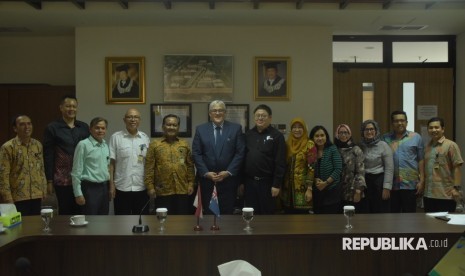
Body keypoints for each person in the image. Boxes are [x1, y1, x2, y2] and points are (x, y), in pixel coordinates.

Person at [192, 100, 245, 215]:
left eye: (220, 110)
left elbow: (240, 153)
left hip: (228, 181)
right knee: (210, 215)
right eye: (214, 110)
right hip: (208, 181)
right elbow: (196, 153)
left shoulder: (235, 129)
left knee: (227, 215)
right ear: (210, 113)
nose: (217, 113)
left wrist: (229, 172)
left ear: (225, 113)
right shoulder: (200, 129)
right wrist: (206, 173)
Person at [43, 95, 90, 215]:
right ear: (61, 108)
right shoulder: (52, 128)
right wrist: (49, 180)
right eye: (68, 106)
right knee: (66, 212)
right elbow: (48, 155)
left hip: (82, 178)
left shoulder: (84, 127)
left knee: (82, 211)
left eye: (74, 106)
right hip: (63, 180)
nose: (71, 109)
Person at [145, 114, 195, 214]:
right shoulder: (155, 144)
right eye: (168, 125)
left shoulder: (184, 144)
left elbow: (190, 166)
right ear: (163, 126)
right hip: (162, 191)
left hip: (182, 190)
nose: (171, 127)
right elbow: (149, 167)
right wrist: (150, 187)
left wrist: (191, 184)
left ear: (178, 127)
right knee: (164, 221)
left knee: (182, 222)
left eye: (174, 125)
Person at [243, 104, 286, 214]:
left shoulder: (277, 136)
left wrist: (276, 184)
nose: (260, 118)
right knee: (250, 214)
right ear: (254, 117)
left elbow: (280, 162)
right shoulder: (247, 135)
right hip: (249, 183)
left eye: (263, 115)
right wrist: (241, 182)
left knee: (267, 215)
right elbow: (242, 159)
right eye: (257, 115)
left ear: (270, 118)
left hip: (267, 184)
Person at [0, 115, 47, 215]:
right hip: (17, 197)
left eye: (29, 124)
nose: (27, 127)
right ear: (15, 128)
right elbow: (3, 175)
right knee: (20, 229)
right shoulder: (8, 147)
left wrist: (44, 189)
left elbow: (41, 170)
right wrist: (8, 198)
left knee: (36, 227)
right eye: (22, 124)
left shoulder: (37, 145)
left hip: (36, 195)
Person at [109, 108, 150, 215]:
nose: (133, 119)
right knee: (122, 223)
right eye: (129, 117)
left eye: (136, 117)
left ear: (140, 120)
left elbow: (149, 163)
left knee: (141, 221)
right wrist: (111, 185)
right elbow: (111, 164)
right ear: (124, 119)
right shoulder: (116, 137)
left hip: (141, 186)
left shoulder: (145, 138)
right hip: (122, 187)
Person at [383, 111, 424, 213]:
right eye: (396, 121)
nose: (399, 123)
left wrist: (422, 180)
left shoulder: (416, 137)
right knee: (392, 217)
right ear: (392, 123)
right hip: (391, 185)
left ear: (407, 122)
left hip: (410, 184)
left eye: (402, 120)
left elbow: (421, 160)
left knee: (410, 218)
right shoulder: (385, 138)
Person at [71, 117, 110, 215]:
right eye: (97, 128)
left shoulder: (105, 145)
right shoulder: (83, 145)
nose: (100, 130)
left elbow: (107, 168)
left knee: (104, 220)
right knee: (91, 221)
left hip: (104, 188)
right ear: (90, 129)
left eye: (103, 128)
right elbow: (76, 171)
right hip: (90, 189)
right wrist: (78, 193)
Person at [424, 117, 463, 213]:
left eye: (437, 127)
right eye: (431, 128)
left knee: (444, 226)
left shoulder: (451, 145)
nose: (434, 130)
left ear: (443, 129)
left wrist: (456, 188)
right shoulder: (428, 147)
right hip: (429, 195)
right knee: (429, 224)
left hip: (446, 194)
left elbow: (457, 167)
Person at [281, 117, 317, 214]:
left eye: (300, 127)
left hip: (303, 189)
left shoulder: (310, 144)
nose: (297, 130)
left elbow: (312, 168)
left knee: (302, 221)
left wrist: (309, 189)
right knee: (287, 219)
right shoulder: (287, 144)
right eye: (294, 127)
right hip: (287, 190)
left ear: (304, 129)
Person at [359, 120, 393, 213]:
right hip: (365, 182)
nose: (369, 132)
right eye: (366, 130)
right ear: (363, 132)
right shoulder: (360, 146)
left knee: (380, 211)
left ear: (376, 130)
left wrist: (387, 187)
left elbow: (389, 168)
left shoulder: (383, 145)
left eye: (371, 129)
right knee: (365, 211)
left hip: (379, 182)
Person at [309, 125, 343, 214]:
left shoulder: (332, 149)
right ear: (312, 138)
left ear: (326, 136)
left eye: (322, 135)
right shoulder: (311, 151)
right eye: (316, 136)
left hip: (332, 190)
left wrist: (326, 183)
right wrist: (315, 179)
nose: (320, 138)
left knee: (330, 220)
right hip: (317, 191)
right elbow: (309, 169)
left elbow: (338, 169)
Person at [334, 124, 366, 212]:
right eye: (341, 133)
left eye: (346, 132)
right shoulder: (334, 149)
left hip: (352, 191)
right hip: (336, 192)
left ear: (350, 134)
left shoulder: (356, 149)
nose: (343, 135)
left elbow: (360, 171)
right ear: (337, 134)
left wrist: (358, 190)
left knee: (351, 219)